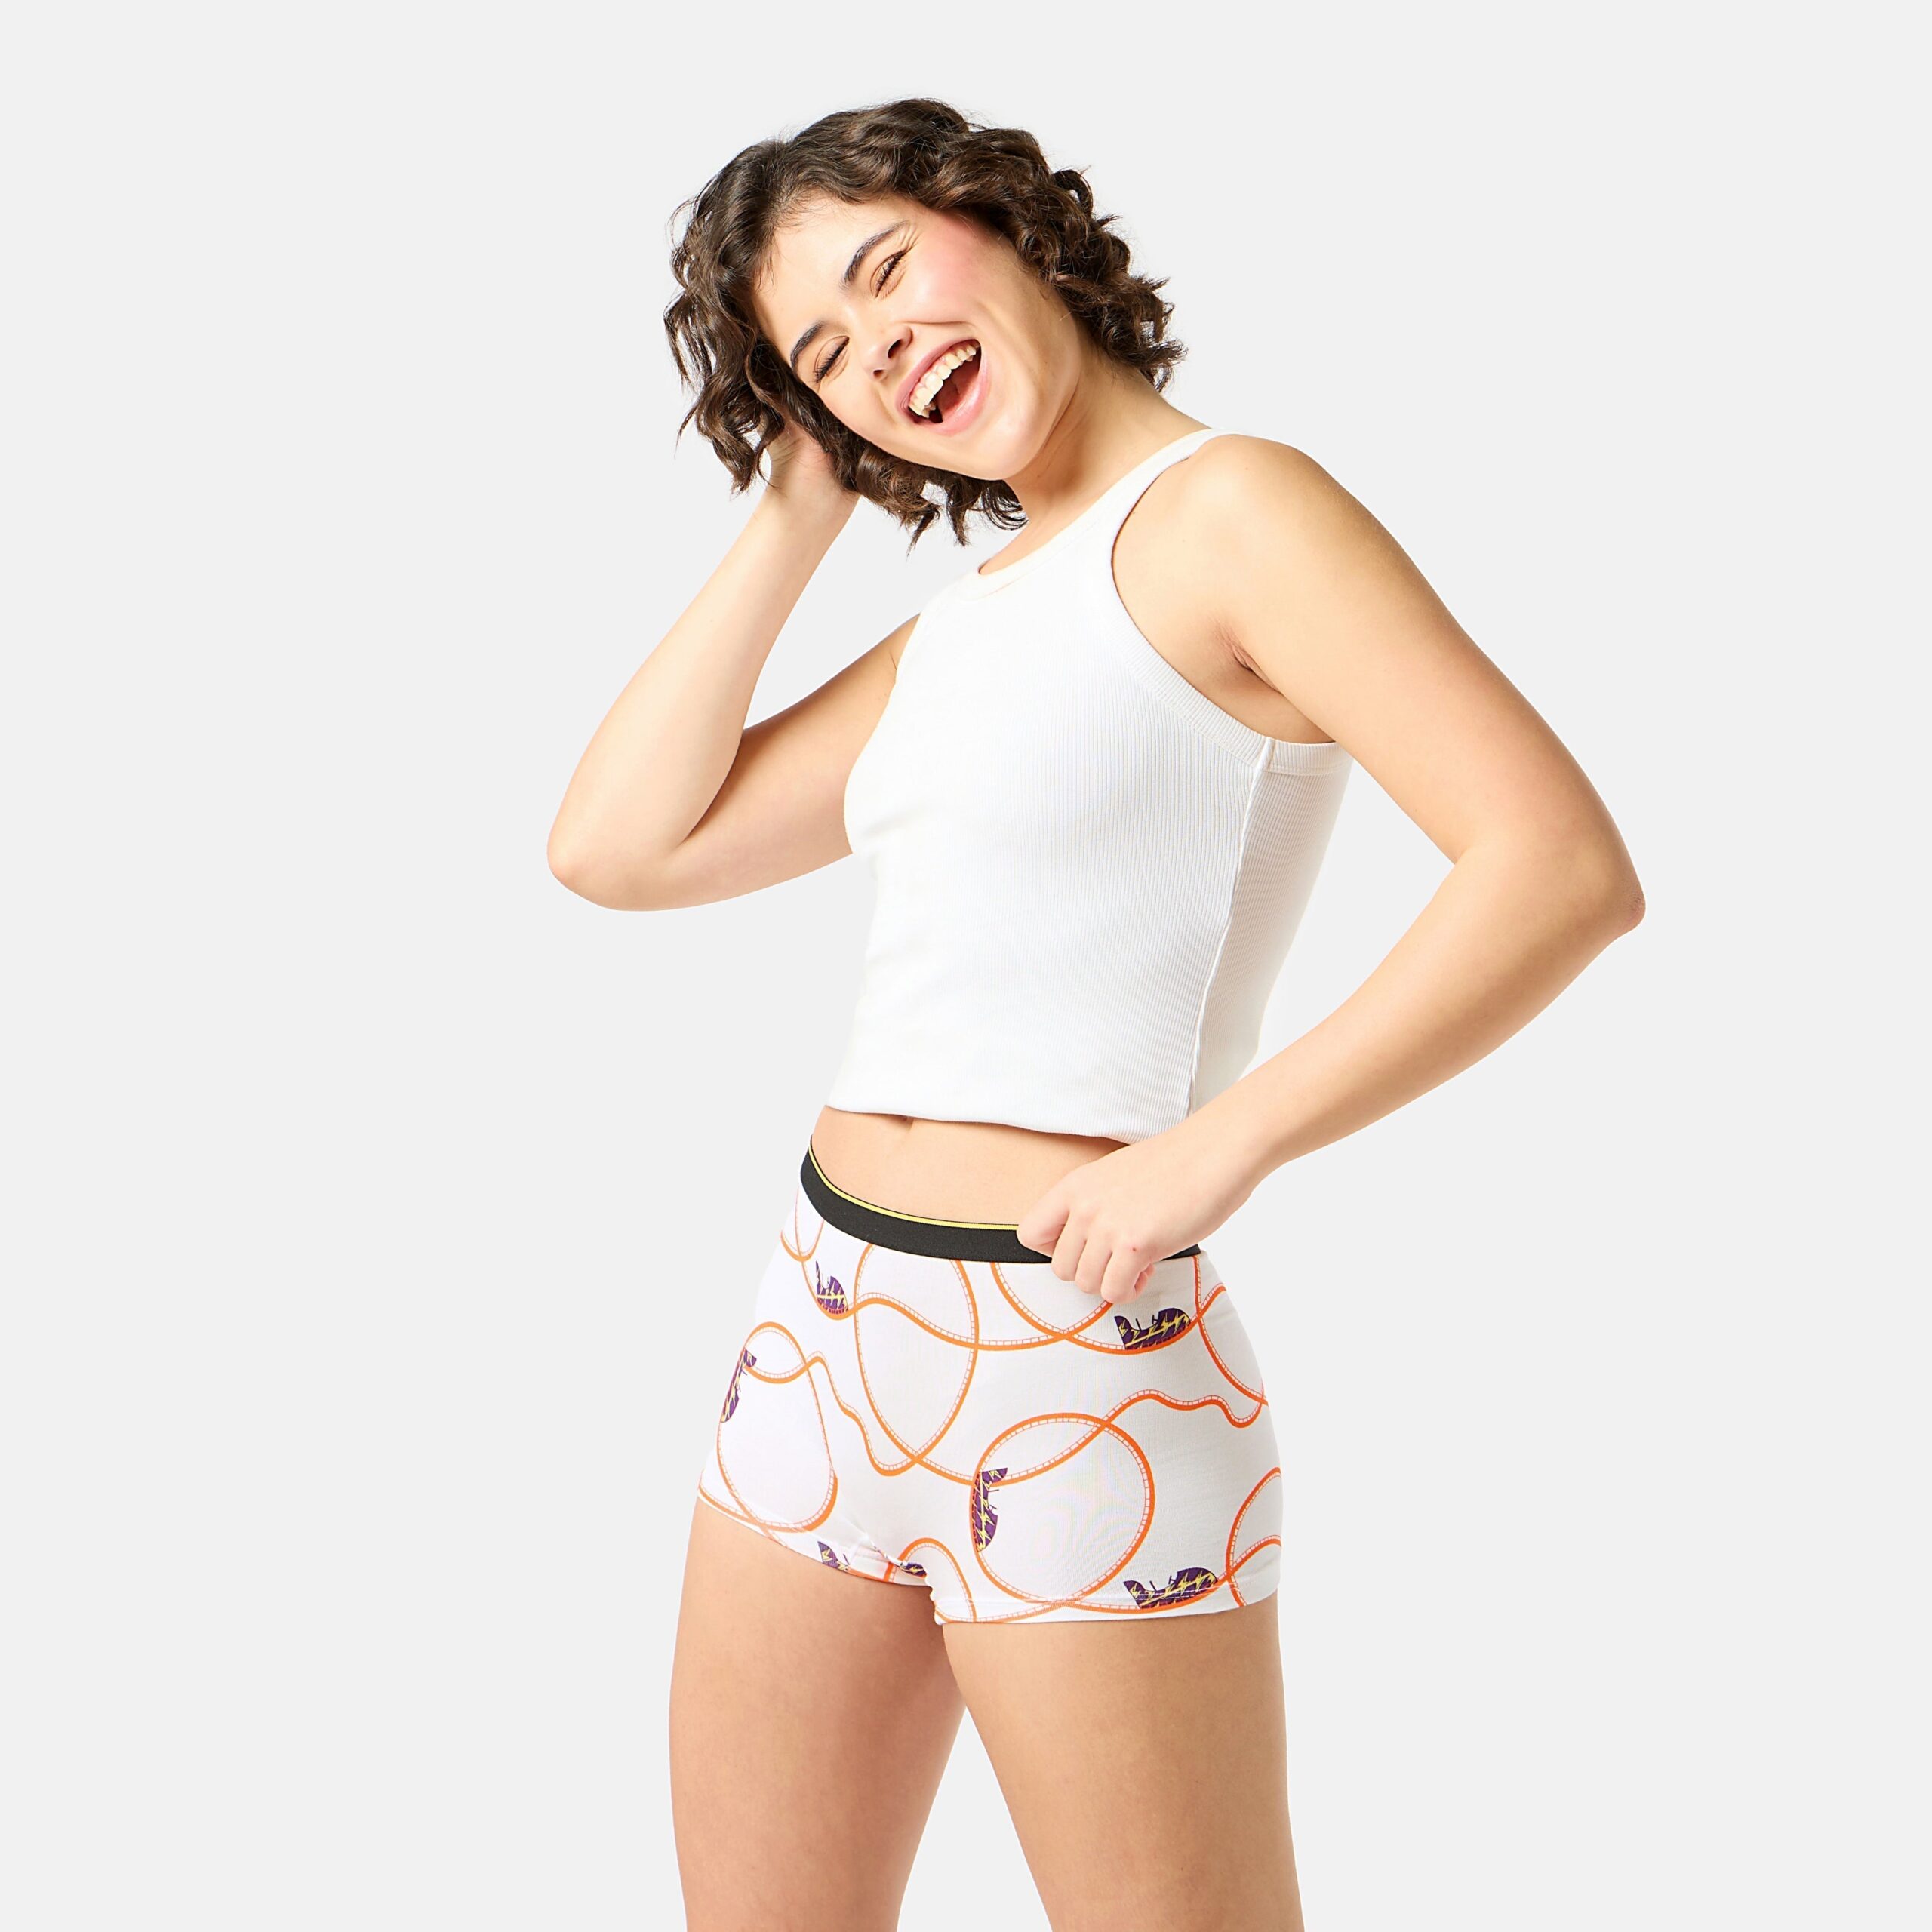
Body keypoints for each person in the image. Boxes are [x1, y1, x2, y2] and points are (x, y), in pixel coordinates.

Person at [548, 97, 1644, 1932]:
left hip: (1071, 1351)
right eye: (819, 352)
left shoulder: (1234, 511)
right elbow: (616, 847)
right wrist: (798, 505)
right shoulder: (974, 618)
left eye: (885, 266)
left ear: (997, 214)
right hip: (819, 1333)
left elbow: (1555, 865)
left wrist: (1221, 1144)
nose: (877, 343)